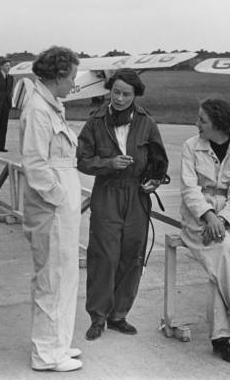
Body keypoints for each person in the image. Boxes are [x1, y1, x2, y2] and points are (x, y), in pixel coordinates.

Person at [77, 68, 169, 341]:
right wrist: (108, 164)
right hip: (107, 193)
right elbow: (82, 159)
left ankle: (119, 315)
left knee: (132, 255)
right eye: (115, 92)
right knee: (104, 256)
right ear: (109, 90)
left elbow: (159, 160)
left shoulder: (146, 122)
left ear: (135, 95)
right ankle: (97, 317)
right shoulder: (95, 122)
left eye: (126, 94)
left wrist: (154, 180)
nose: (119, 98)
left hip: (137, 196)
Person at [19, 46, 82, 372]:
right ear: (57, 76)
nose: (74, 82)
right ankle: (45, 354)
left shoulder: (51, 105)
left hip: (61, 205)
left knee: (65, 275)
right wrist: (60, 198)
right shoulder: (38, 111)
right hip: (51, 207)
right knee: (51, 278)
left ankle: (58, 343)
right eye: (71, 76)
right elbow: (35, 163)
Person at [179, 98, 230, 363]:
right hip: (197, 218)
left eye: (202, 120)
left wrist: (222, 221)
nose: (196, 124)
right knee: (223, 254)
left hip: (229, 221)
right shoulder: (191, 147)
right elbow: (189, 188)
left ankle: (221, 338)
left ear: (218, 124)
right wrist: (209, 216)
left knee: (219, 264)